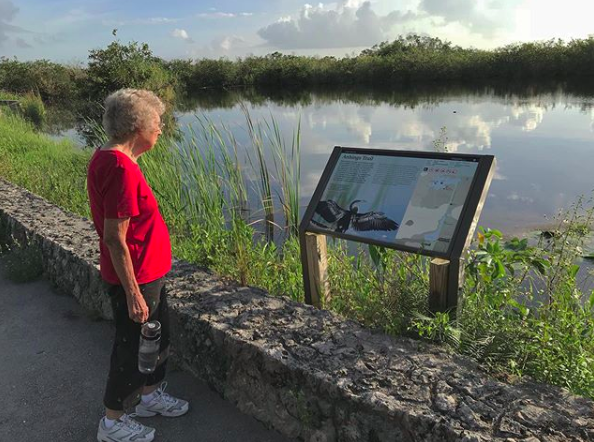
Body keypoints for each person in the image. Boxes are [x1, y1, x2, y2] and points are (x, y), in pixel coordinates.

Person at [87, 88, 189, 442]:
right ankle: (112, 422)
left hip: (149, 272)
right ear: (137, 126)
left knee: (156, 342)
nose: (161, 129)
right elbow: (115, 236)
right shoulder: (119, 168)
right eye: (157, 123)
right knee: (131, 348)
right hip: (137, 277)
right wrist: (133, 293)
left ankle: (149, 398)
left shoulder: (114, 159)